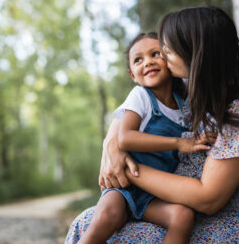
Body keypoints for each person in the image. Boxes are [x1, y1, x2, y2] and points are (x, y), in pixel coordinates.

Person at [66, 6, 239, 243]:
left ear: (195, 55)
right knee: (90, 220)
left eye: (167, 53)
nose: (161, 59)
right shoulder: (203, 80)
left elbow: (209, 199)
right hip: (184, 207)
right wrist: (112, 143)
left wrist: (127, 169)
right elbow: (138, 103)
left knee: (113, 234)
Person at [77, 32, 214, 244]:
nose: (148, 62)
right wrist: (179, 143)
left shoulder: (183, 105)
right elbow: (125, 138)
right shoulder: (140, 97)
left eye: (155, 54)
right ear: (132, 74)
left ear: (169, 61)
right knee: (106, 216)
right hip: (125, 187)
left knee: (183, 216)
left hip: (155, 193)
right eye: (138, 60)